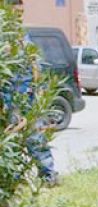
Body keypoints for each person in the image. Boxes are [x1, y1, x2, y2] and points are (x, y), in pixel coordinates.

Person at [2, 0, 58, 186]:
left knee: (36, 137)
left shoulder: (23, 36)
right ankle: (13, 181)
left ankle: (48, 175)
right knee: (12, 138)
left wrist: (40, 88)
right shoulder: (4, 37)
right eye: (15, 13)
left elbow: (36, 63)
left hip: (29, 95)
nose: (19, 17)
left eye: (21, 13)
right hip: (10, 97)